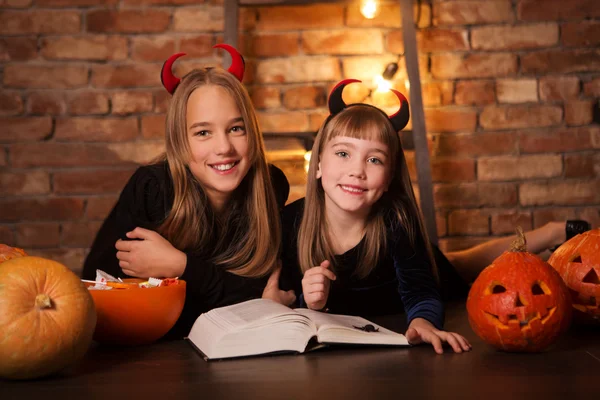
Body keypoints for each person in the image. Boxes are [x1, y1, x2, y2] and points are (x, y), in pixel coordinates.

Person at [82, 44, 294, 339]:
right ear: (180, 143)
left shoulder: (270, 186)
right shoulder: (153, 190)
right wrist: (245, 297)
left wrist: (181, 267)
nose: (224, 148)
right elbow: (103, 293)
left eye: (236, 128)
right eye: (203, 132)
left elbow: (277, 290)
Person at [280, 79, 471, 354]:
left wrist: (423, 322)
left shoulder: (397, 221)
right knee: (462, 259)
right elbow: (289, 300)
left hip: (435, 275)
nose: (357, 170)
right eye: (343, 153)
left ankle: (546, 234)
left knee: (463, 268)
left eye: (374, 160)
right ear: (318, 164)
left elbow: (422, 292)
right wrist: (310, 301)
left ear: (389, 177)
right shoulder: (292, 221)